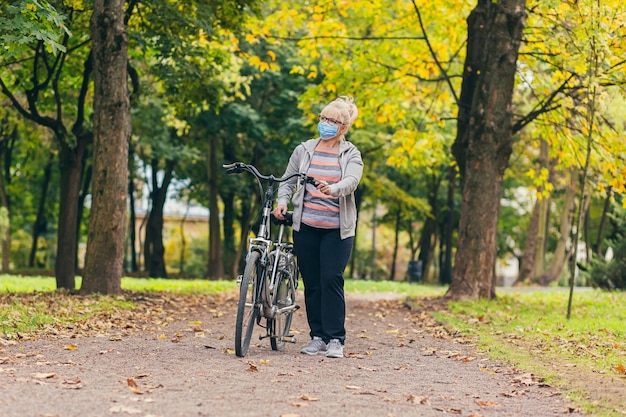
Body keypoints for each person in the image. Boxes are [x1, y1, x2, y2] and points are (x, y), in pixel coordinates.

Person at [273, 96, 363, 358]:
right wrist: (282, 202)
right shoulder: (304, 149)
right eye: (322, 118)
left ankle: (336, 339)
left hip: (337, 230)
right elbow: (287, 181)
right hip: (307, 226)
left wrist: (332, 188)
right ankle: (318, 337)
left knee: (331, 279)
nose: (324, 124)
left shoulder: (351, 153)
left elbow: (351, 181)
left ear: (343, 127)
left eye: (331, 121)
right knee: (312, 283)